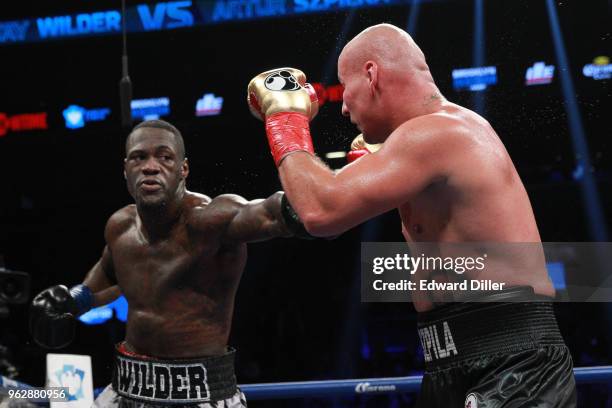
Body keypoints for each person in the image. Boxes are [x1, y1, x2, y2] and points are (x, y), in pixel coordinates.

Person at [247, 24, 576, 407]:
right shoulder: (420, 142)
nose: (345, 106)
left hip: (512, 366)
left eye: (345, 88)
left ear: (371, 75)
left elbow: (321, 211)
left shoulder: (438, 132)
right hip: (450, 360)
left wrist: (284, 119)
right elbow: (321, 213)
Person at [29, 119, 310, 407]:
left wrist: (300, 205)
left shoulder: (211, 221)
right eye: (139, 157)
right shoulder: (120, 226)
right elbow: (112, 273)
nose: (150, 166)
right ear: (126, 169)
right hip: (127, 390)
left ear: (183, 170)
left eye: (164, 157)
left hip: (201, 395)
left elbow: (269, 214)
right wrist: (75, 301)